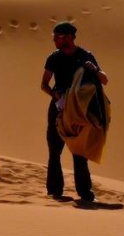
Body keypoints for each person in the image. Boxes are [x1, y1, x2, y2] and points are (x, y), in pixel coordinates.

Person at [40, 21, 109, 204]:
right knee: (54, 150)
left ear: (69, 37)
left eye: (59, 36)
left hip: (79, 110)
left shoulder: (86, 56)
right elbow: (44, 84)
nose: (55, 40)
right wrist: (55, 95)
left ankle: (85, 193)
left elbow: (104, 80)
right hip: (58, 108)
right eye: (54, 37)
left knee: (79, 151)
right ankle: (54, 192)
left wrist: (93, 69)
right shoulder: (53, 58)